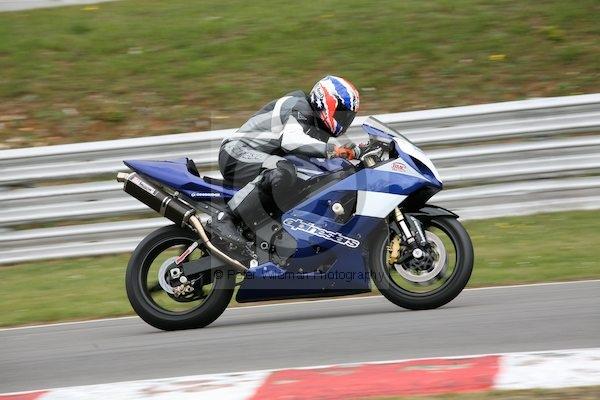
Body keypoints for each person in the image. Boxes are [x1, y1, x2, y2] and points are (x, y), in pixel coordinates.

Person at [212, 75, 361, 254]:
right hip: (236, 151)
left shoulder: (316, 124)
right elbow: (291, 141)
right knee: (282, 169)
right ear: (325, 101)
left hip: (261, 159)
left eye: (348, 116)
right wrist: (333, 149)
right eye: (341, 113)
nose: (344, 119)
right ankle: (225, 218)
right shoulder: (299, 106)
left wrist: (358, 151)